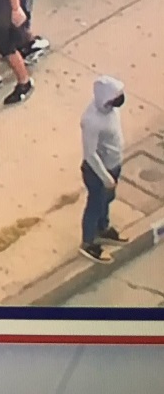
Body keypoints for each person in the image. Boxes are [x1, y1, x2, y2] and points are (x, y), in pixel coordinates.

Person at [79, 76, 129, 264]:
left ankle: (103, 227)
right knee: (95, 204)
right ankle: (88, 242)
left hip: (113, 165)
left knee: (106, 200)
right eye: (116, 95)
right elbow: (90, 154)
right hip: (98, 173)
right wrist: (105, 177)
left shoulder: (111, 111)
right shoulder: (91, 121)